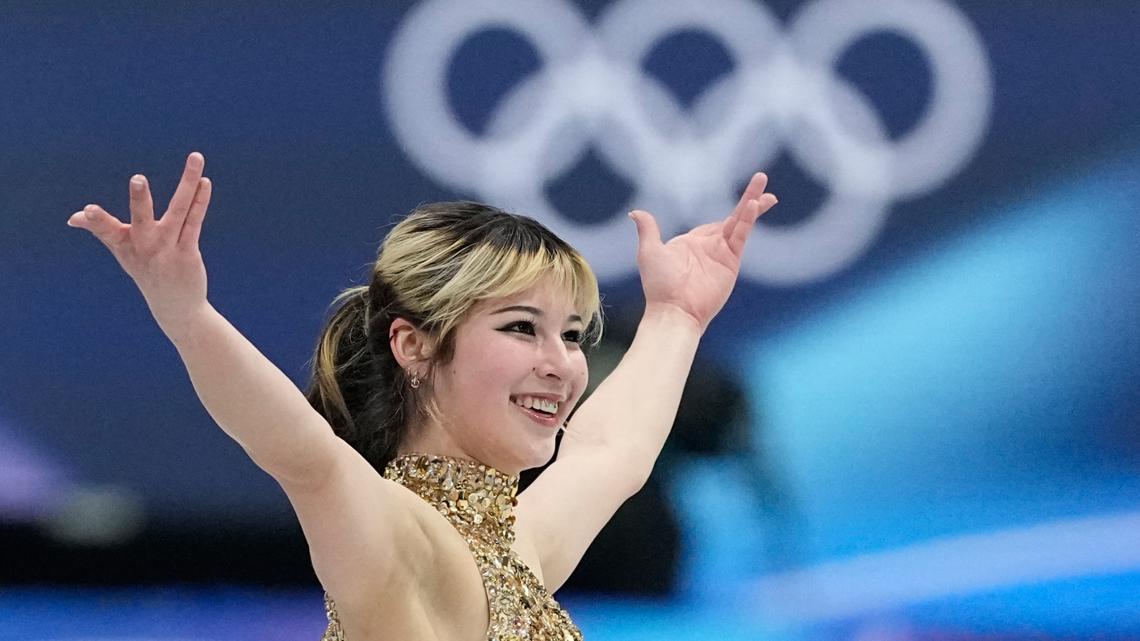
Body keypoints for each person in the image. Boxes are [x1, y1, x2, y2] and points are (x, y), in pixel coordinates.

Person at [67, 152, 777, 640]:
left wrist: (676, 317)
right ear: (414, 346)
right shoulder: (396, 537)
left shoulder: (513, 544)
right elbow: (300, 452)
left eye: (570, 334)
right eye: (521, 327)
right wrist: (190, 319)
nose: (561, 364)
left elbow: (610, 453)